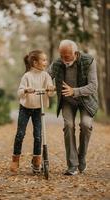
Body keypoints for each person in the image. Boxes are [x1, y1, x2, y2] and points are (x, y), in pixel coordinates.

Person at [48, 40, 98, 175]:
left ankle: (81, 158)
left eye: (67, 56)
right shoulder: (58, 63)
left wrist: (74, 91)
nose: (64, 59)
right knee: (68, 125)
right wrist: (44, 85)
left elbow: (93, 86)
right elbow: (46, 77)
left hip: (85, 100)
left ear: (75, 53)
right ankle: (72, 165)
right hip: (67, 101)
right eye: (61, 55)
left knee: (86, 124)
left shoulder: (89, 61)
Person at [10, 50, 54, 173]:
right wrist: (26, 90)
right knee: (20, 134)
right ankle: (15, 158)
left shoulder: (46, 76)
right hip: (25, 108)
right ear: (35, 62)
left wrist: (50, 89)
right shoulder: (27, 76)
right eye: (43, 60)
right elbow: (19, 92)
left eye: (46, 60)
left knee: (38, 136)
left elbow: (50, 93)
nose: (46, 62)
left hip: (38, 108)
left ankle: (36, 162)